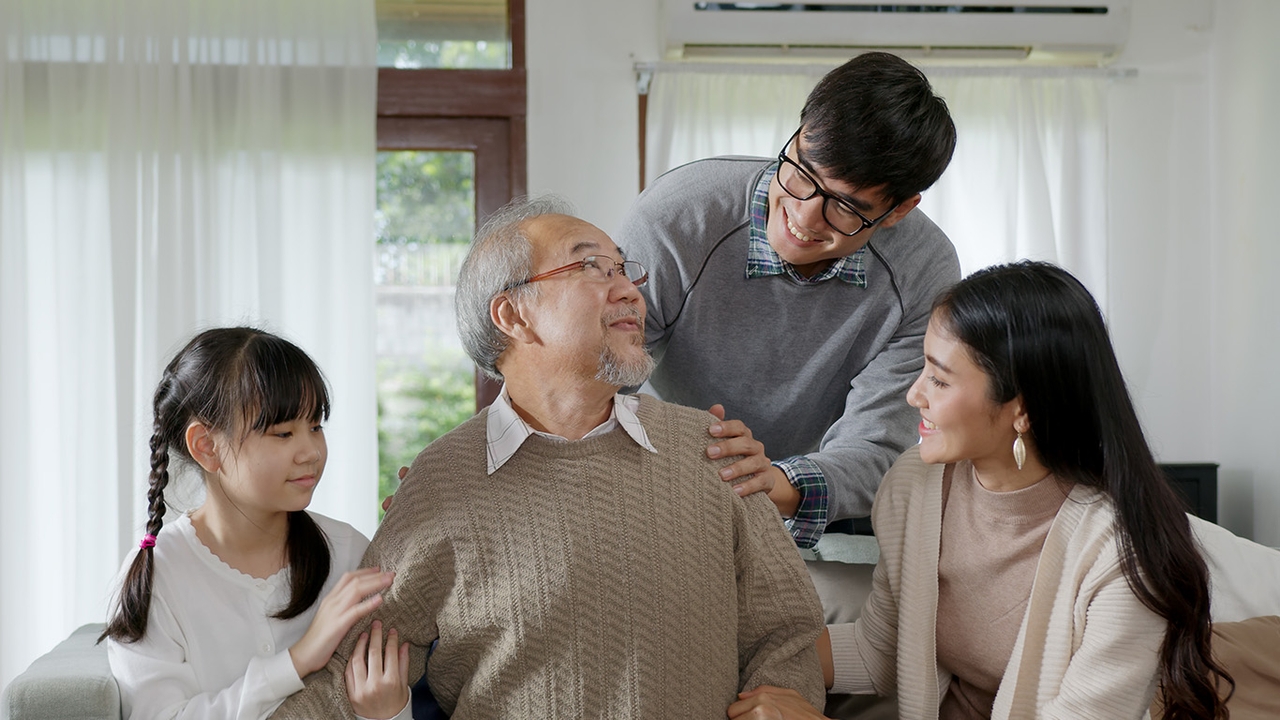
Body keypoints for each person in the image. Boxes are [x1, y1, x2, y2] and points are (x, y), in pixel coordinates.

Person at [271, 196, 826, 719]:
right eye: (592, 269)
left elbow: (786, 630)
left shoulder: (711, 448)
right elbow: (347, 673)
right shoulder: (442, 481)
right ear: (513, 315)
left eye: (625, 271)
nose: (632, 292)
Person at [728, 261, 1232, 720]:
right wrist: (729, 654)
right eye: (923, 368)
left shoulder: (1123, 556)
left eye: (940, 381)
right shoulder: (914, 486)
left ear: (1023, 409)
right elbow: (878, 652)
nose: (913, 395)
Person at [616, 51, 961, 549]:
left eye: (844, 207)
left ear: (899, 210)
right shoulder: (680, 216)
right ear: (798, 134)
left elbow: (878, 444)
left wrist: (773, 482)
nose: (803, 215)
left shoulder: (923, 269)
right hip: (672, 471)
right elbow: (601, 379)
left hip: (825, 499)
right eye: (802, 172)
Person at [102, 327, 409, 720]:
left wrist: (388, 712)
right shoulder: (156, 577)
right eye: (283, 433)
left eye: (315, 426)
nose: (311, 452)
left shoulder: (349, 552)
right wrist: (296, 661)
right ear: (206, 447)